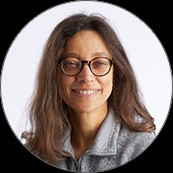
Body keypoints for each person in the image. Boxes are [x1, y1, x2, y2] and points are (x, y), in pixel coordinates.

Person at [21, 13, 156, 172]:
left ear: (116, 73)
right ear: (54, 74)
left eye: (99, 63)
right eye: (71, 63)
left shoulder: (139, 148)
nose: (86, 76)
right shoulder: (36, 152)